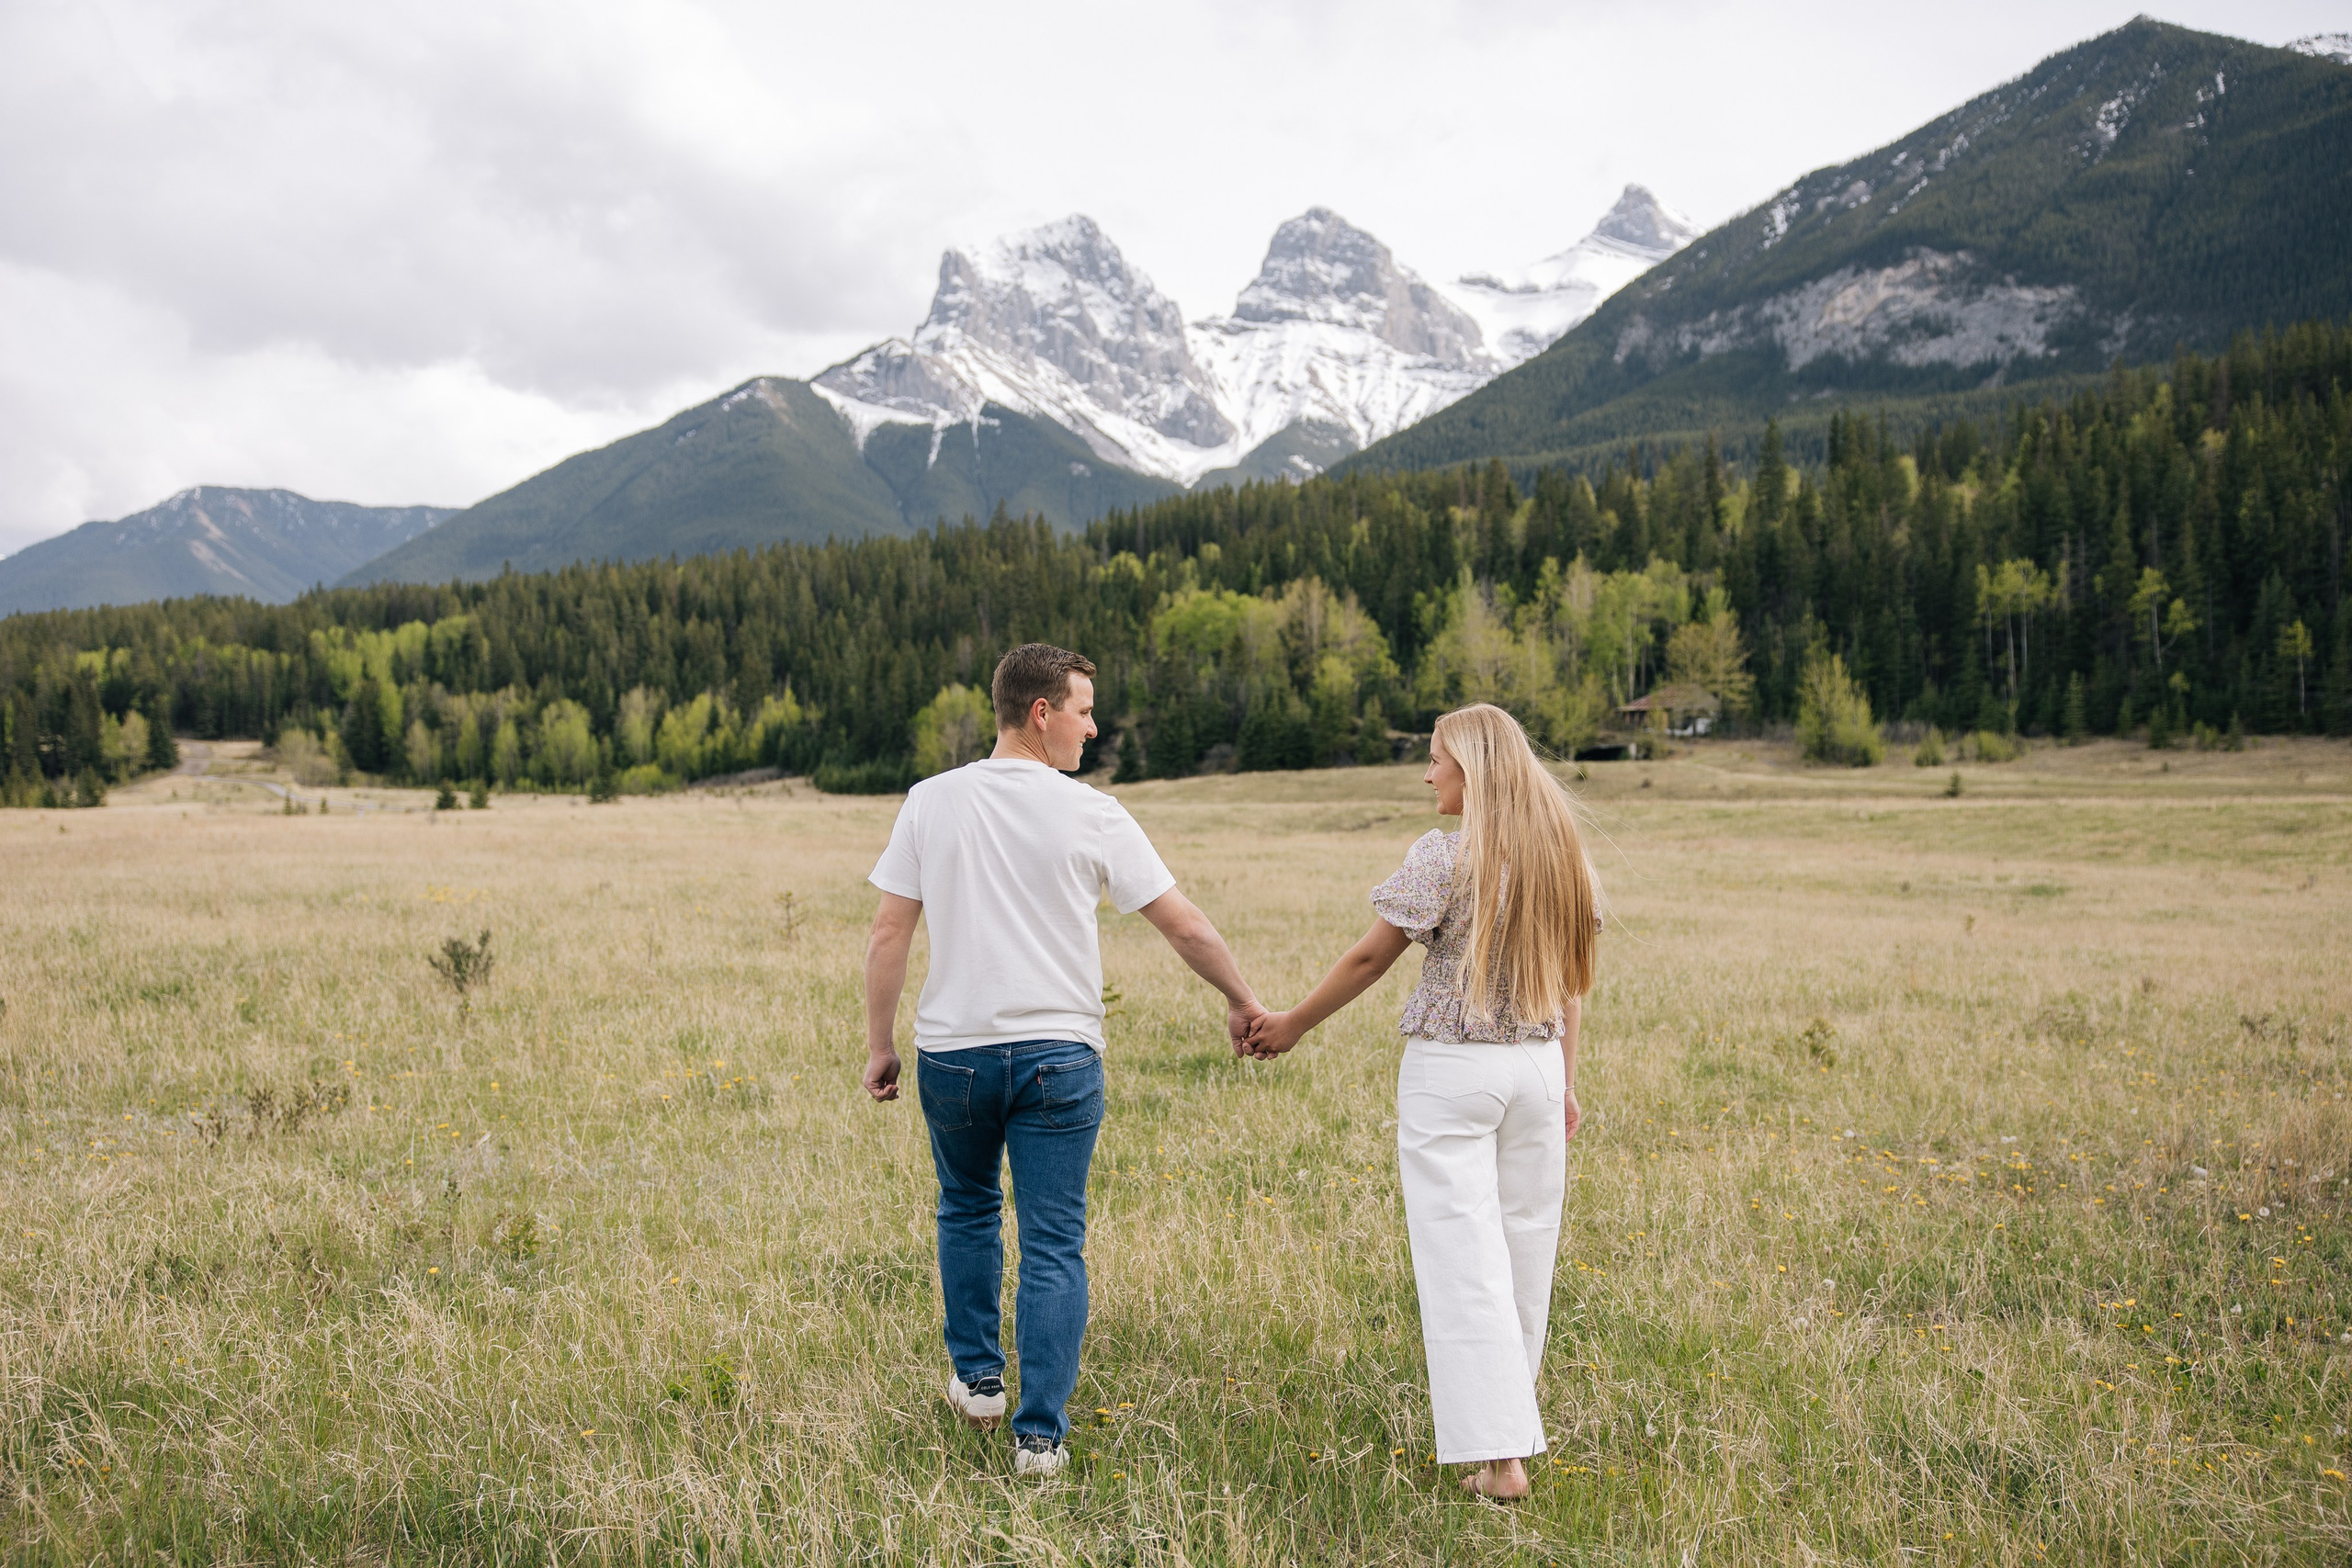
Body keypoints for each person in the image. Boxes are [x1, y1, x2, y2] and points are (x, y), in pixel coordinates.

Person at [862, 642, 1265, 1477]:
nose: (1093, 727)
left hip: (954, 1055)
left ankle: (980, 1382)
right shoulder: (1094, 812)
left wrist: (880, 1043)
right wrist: (1241, 998)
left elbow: (888, 930)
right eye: (1083, 710)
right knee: (1053, 1240)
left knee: (967, 1206)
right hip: (1059, 1056)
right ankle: (1040, 1437)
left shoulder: (931, 801)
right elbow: (1184, 923)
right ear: (1040, 713)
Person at [1244, 703, 1600, 1501]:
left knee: (1463, 1257)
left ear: (1471, 768)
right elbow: (1573, 983)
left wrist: (1293, 1023)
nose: (1427, 772)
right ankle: (1506, 1447)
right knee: (1526, 1250)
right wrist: (1568, 1082)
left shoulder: (1445, 855)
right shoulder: (1561, 856)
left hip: (1455, 1072)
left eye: (1437, 758)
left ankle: (1501, 1458)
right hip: (1539, 1068)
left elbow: (1370, 958)